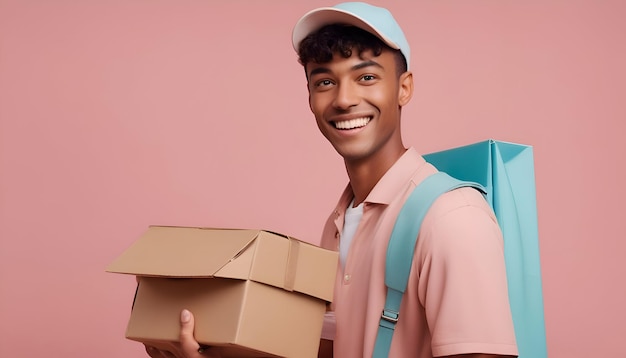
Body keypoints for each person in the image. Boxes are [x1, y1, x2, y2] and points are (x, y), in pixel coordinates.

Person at [146, 2, 518, 358]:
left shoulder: (451, 217)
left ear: (404, 88)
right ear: (309, 97)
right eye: (324, 81)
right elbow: (328, 350)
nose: (343, 99)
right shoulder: (339, 223)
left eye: (366, 77)